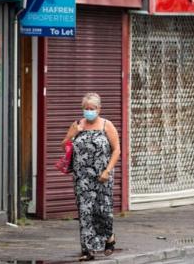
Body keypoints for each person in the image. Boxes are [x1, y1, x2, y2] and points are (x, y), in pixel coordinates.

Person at [61, 93, 121, 261]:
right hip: (82, 177)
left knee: (103, 211)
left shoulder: (106, 126)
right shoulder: (78, 125)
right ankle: (87, 250)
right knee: (85, 211)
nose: (89, 112)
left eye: (92, 109)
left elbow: (117, 150)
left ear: (99, 109)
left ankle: (109, 237)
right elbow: (64, 146)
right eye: (86, 109)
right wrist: (72, 134)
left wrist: (107, 171)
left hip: (102, 175)